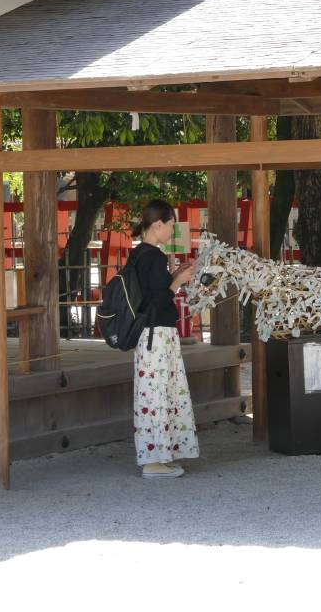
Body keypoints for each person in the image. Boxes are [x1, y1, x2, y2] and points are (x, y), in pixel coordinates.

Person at [127, 199, 198, 479]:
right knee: (157, 395)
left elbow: (152, 293)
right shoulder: (153, 256)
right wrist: (178, 282)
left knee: (157, 394)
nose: (172, 229)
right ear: (158, 224)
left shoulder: (140, 255)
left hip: (151, 334)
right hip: (157, 334)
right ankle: (154, 461)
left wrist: (174, 277)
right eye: (171, 223)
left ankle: (160, 456)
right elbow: (157, 299)